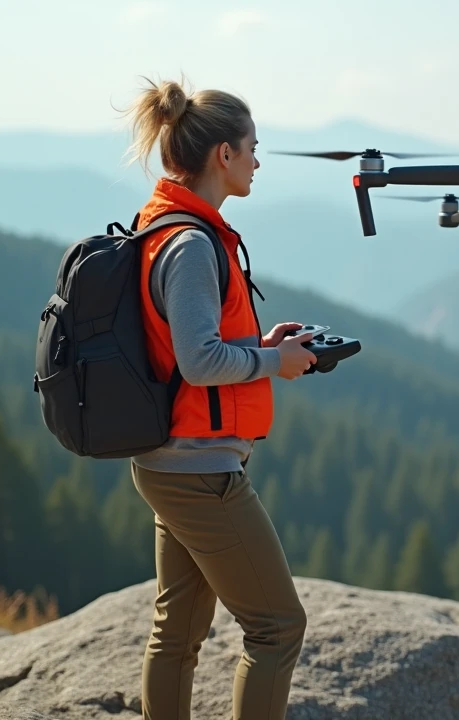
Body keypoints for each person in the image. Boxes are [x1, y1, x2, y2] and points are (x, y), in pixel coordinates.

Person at [121, 75, 316, 720]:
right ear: (222, 156)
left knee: (176, 632)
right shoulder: (191, 242)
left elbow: (187, 347)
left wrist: (263, 344)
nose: (259, 160)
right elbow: (200, 362)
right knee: (277, 627)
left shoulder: (172, 228)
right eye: (253, 147)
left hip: (171, 460)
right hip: (199, 469)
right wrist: (274, 363)